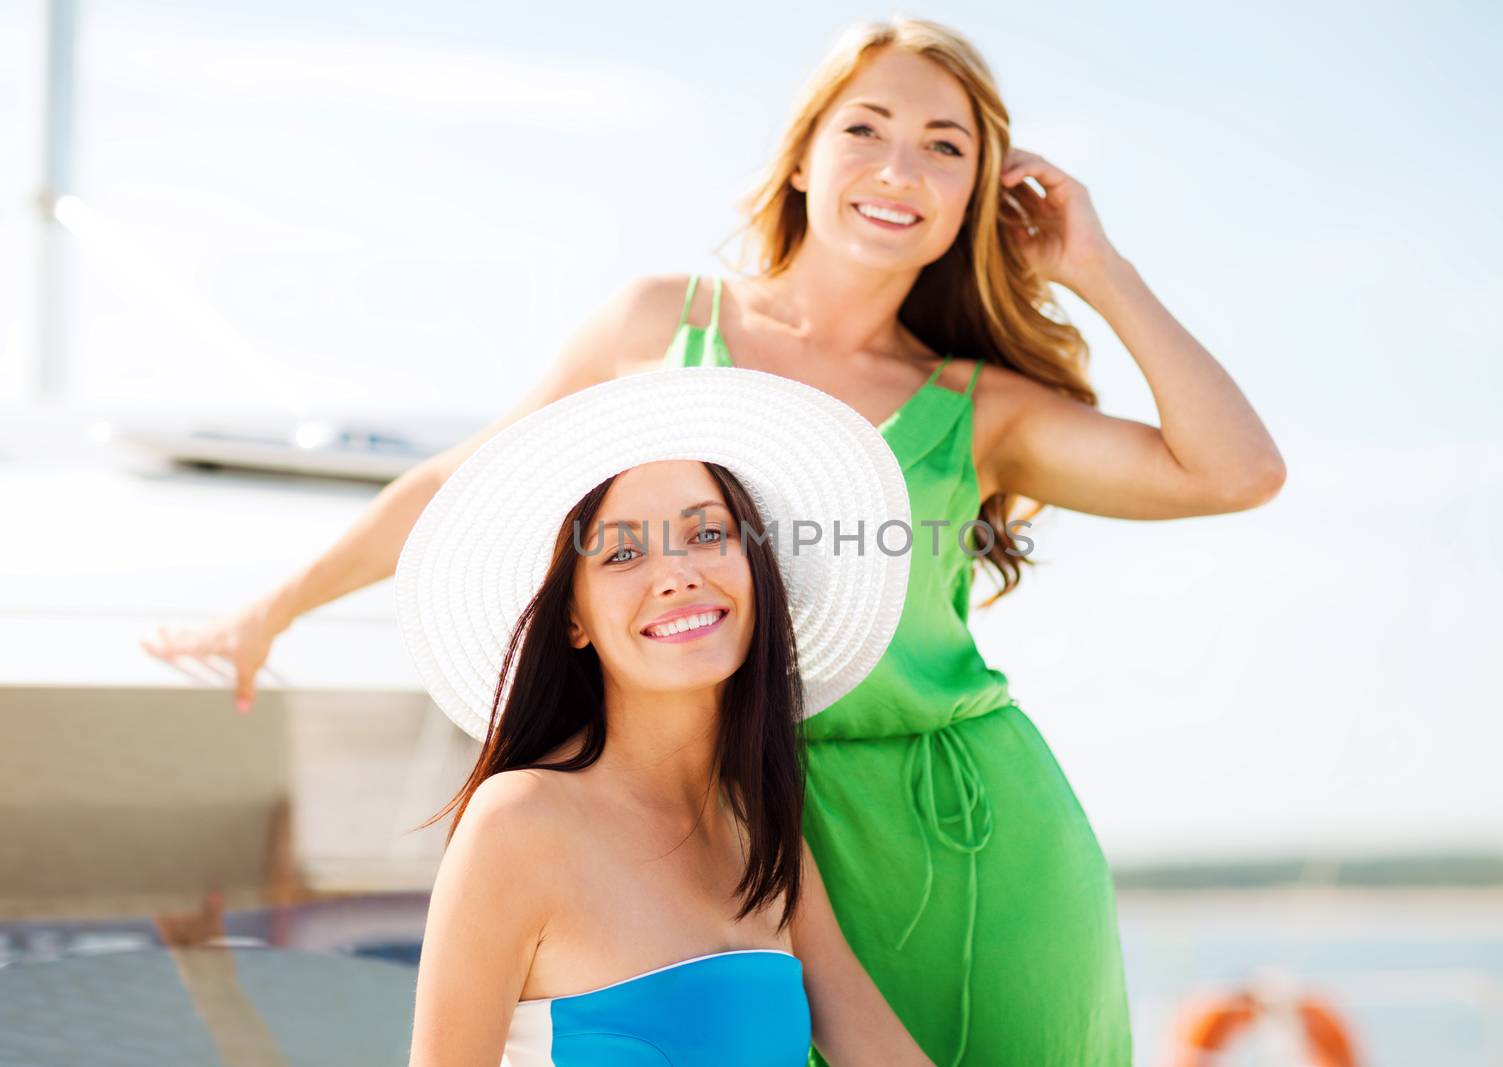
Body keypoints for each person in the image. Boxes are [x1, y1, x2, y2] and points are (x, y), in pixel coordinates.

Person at [144, 16, 1286, 1066]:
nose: (899, 169)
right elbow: (470, 480)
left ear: (982, 192)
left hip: (976, 833)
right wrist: (274, 607)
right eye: (866, 129)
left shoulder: (978, 405)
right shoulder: (661, 324)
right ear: (802, 154)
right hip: (744, 810)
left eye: (946, 147)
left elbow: (1236, 471)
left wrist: (1099, 270)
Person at [398, 366, 932, 1066]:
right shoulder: (519, 822)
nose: (677, 573)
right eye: (622, 551)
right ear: (573, 617)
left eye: (708, 533)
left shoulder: (765, 826)